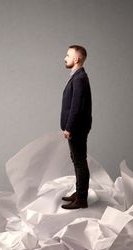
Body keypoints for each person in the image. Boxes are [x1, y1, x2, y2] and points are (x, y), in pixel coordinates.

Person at [60, 45, 92, 210]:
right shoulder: (77, 76)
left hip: (77, 128)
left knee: (79, 161)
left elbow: (76, 106)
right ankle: (79, 193)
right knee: (77, 160)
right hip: (77, 127)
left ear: (77, 59)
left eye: (68, 55)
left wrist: (69, 127)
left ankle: (81, 199)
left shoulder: (79, 78)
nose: (65, 58)